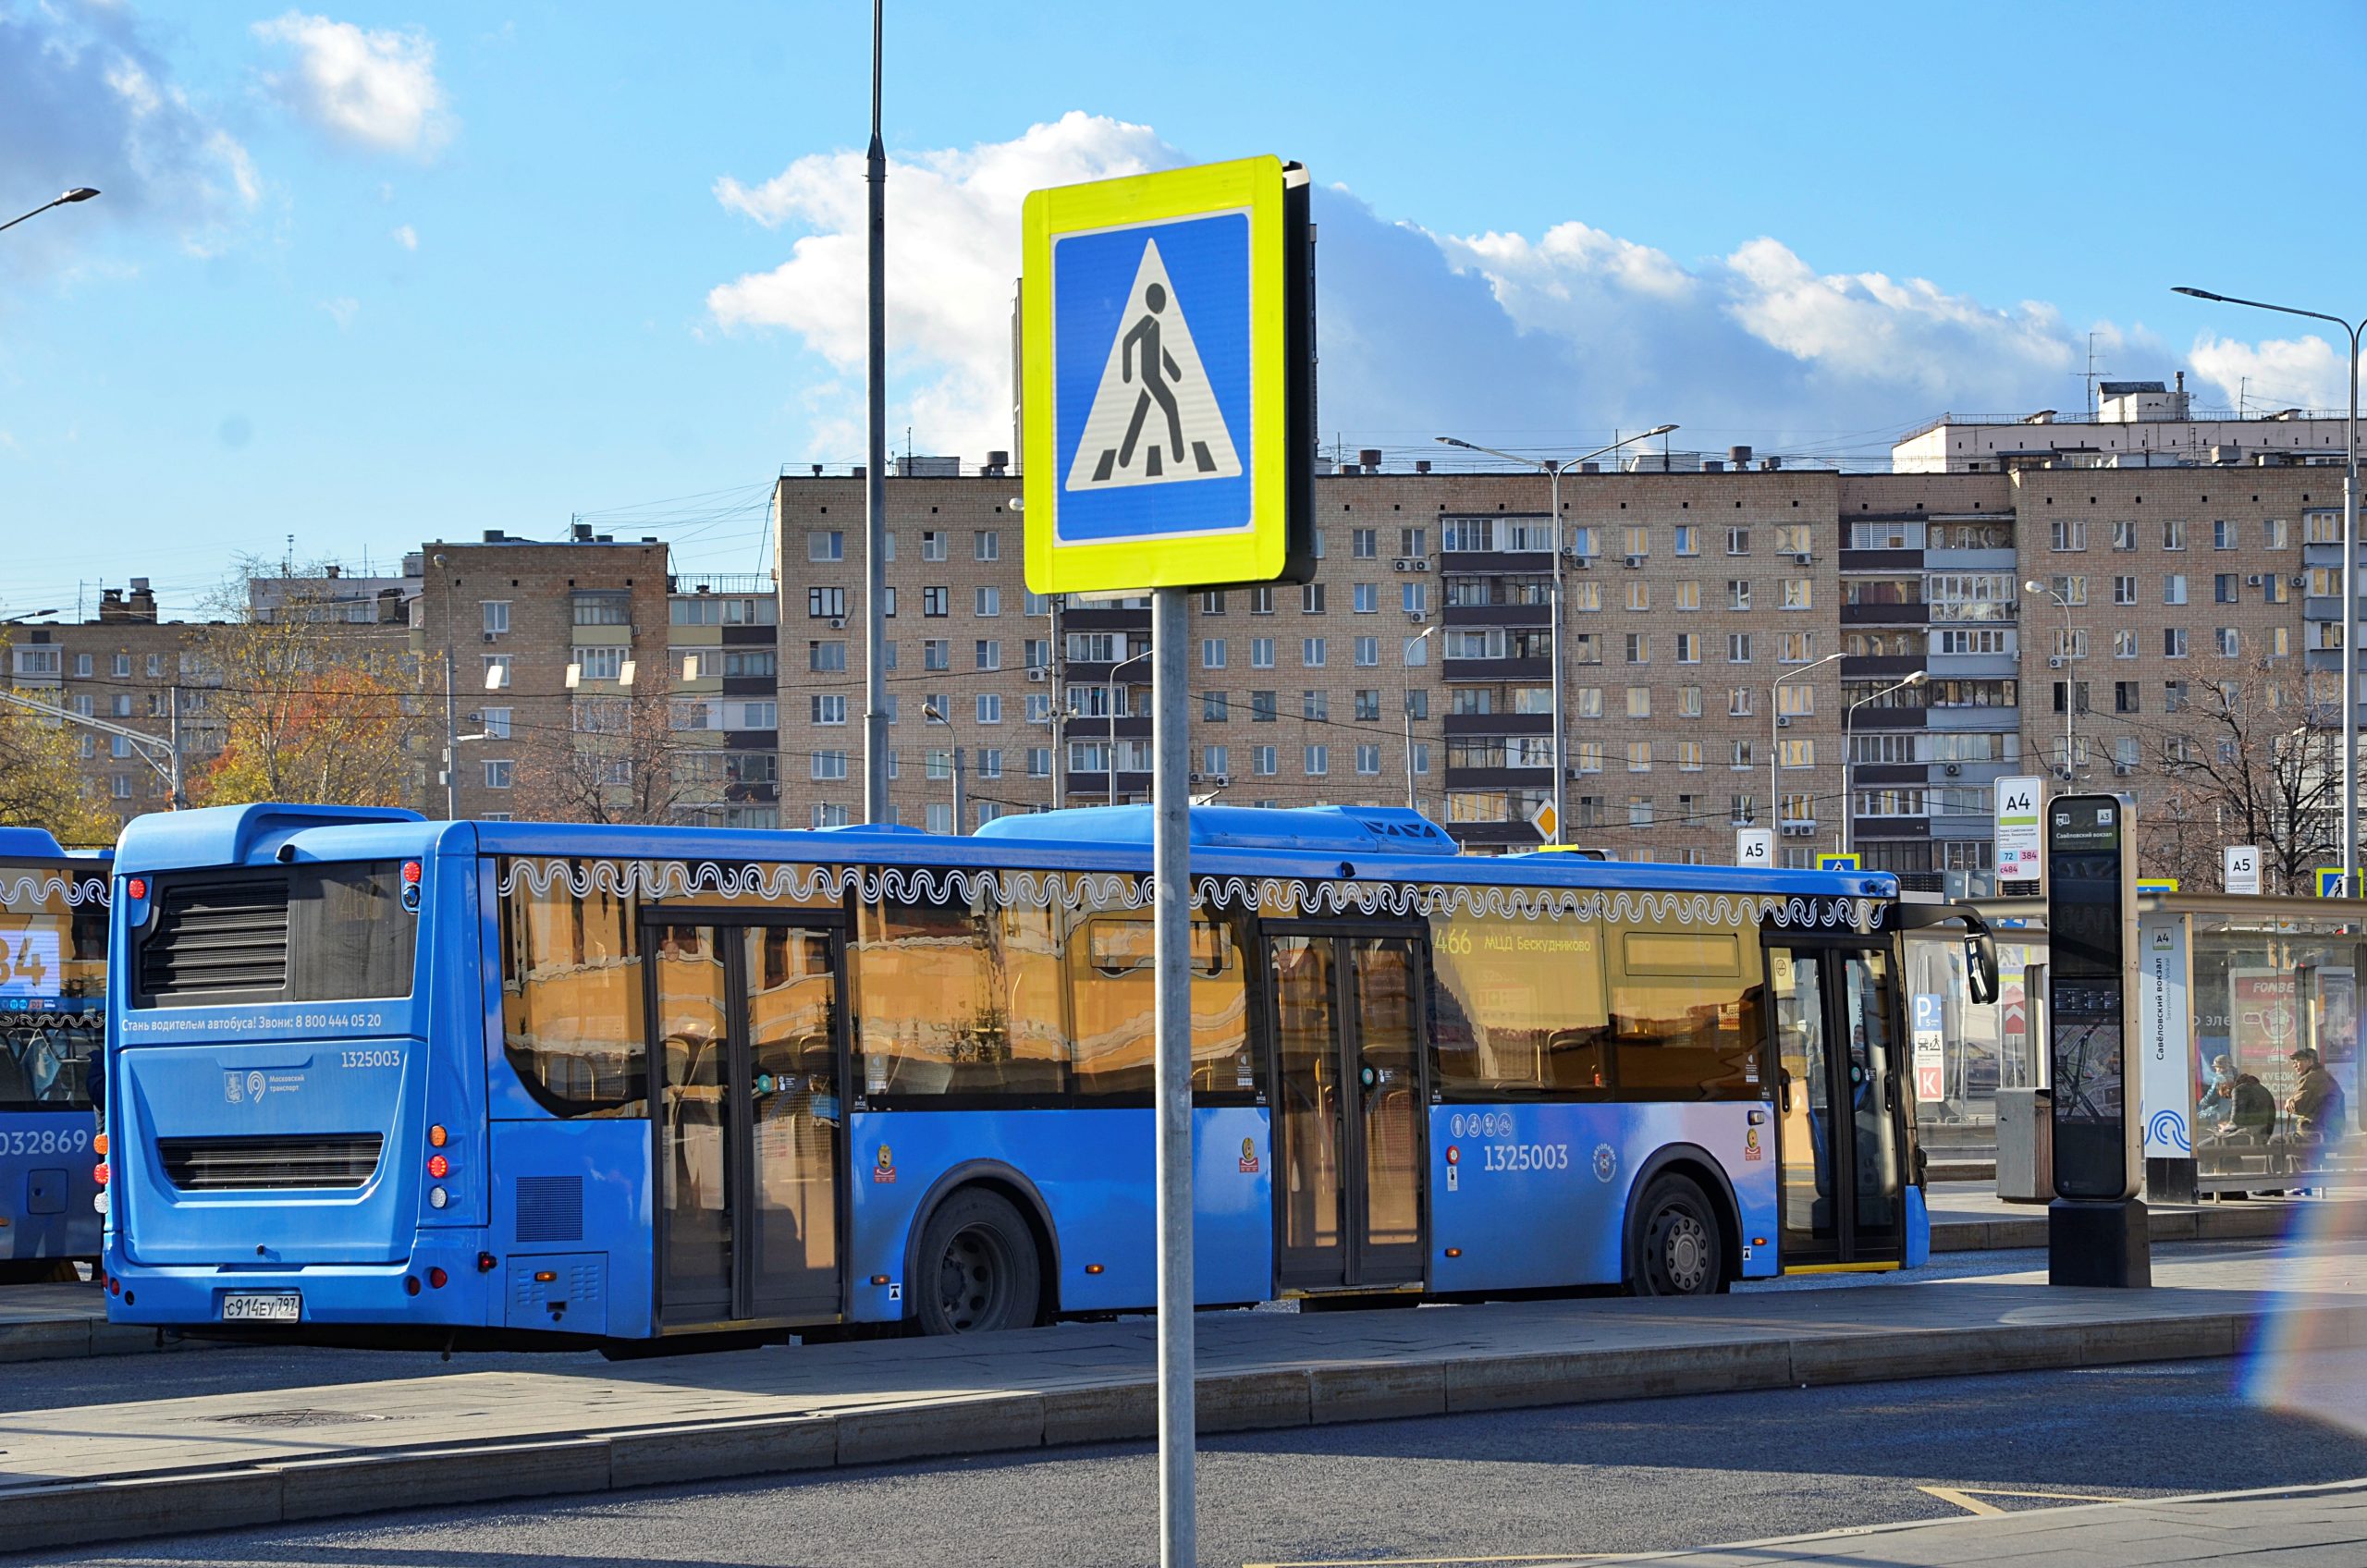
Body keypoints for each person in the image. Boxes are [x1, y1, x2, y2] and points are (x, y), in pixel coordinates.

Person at [2287, 1047, 2348, 1139]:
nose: (2294, 1065)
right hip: (2330, 1132)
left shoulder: (2311, 1078)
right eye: (2294, 1062)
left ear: (2310, 1061)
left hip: (2315, 1133)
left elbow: (2298, 1106)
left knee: (2275, 1142)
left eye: (2298, 1061)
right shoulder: (2323, 1075)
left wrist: (2289, 1102)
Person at [2199, 1055, 2237, 1120]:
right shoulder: (2237, 1076)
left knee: (2200, 1115)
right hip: (2234, 1110)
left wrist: (2202, 1102)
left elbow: (2211, 1096)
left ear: (2220, 1068)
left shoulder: (2219, 1079)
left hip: (2221, 1111)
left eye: (2216, 1067)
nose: (2215, 1069)